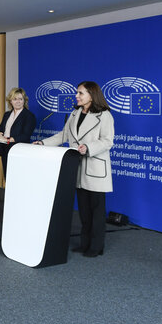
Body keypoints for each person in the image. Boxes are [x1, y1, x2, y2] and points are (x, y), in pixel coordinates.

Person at [35, 81, 114, 258]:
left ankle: (96, 246)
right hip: (76, 168)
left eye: (80, 93)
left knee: (97, 211)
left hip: (94, 168)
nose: (76, 96)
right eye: (77, 93)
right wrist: (42, 143)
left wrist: (89, 147)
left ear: (92, 95)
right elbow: (63, 136)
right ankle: (84, 243)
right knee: (84, 211)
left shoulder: (105, 115)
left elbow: (108, 141)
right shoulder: (75, 112)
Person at [0, 87, 37, 175]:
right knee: (7, 175)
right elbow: (0, 129)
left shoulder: (29, 116)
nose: (18, 102)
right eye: (15, 99)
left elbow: (25, 136)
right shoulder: (7, 115)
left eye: (20, 99)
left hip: (19, 151)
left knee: (17, 176)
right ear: (10, 101)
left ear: (24, 101)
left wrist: (7, 140)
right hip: (5, 149)